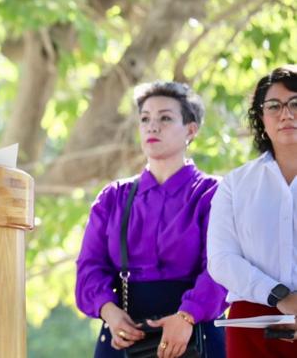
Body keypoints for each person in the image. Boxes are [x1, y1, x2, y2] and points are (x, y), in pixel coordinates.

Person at [76, 81, 227, 358]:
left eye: (165, 118)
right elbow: (89, 267)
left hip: (195, 335)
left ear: (191, 130)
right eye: (145, 119)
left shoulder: (214, 193)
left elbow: (223, 267)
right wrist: (109, 311)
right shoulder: (113, 197)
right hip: (123, 336)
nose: (152, 127)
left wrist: (187, 316)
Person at [207, 65, 297, 357]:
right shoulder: (235, 185)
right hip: (251, 329)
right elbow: (221, 259)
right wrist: (280, 296)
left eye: (295, 103)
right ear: (261, 117)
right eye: (274, 106)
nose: (286, 114)